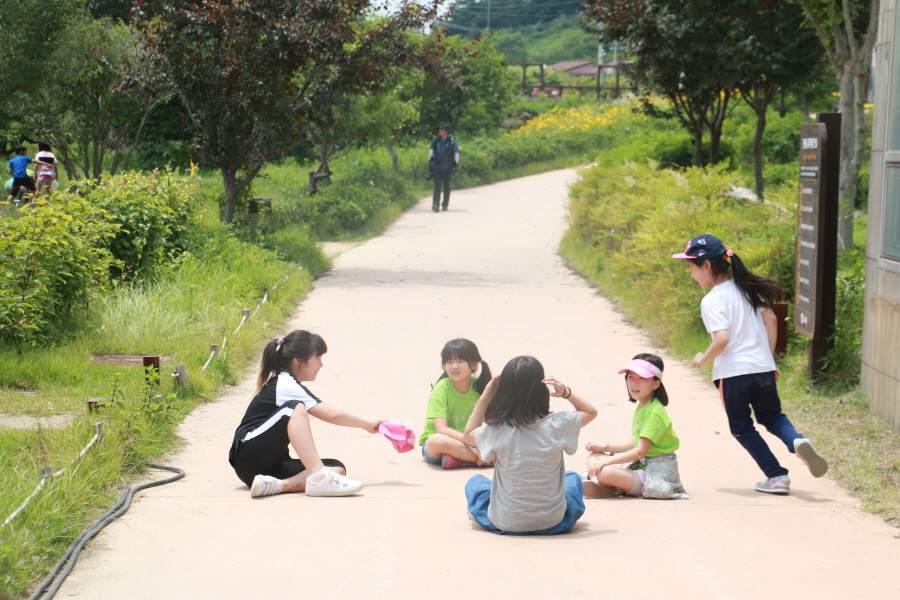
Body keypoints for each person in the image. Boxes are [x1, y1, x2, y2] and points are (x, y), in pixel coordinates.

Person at [673, 233, 828, 494]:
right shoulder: (747, 290)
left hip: (733, 374)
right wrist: (767, 359)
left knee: (742, 428)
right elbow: (771, 320)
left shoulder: (711, 300)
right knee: (772, 416)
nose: (691, 275)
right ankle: (797, 441)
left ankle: (777, 476)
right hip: (762, 367)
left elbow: (722, 339)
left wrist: (703, 359)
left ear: (706, 266)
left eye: (691, 268)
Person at [228, 330, 387, 498]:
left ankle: (276, 486)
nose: (321, 365)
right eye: (318, 358)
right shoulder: (285, 383)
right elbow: (331, 414)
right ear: (299, 361)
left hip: (263, 470)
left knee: (337, 469)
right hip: (248, 457)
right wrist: (368, 425)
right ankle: (320, 478)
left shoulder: (289, 383)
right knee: (295, 408)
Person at [462, 356, 597, 535]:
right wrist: (565, 392)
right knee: (571, 478)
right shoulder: (559, 424)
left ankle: (489, 515)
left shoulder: (497, 429)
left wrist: (486, 396)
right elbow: (591, 412)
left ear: (503, 391)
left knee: (476, 484)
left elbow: (467, 434)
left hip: (507, 523)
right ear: (542, 389)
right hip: (554, 523)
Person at [582, 354, 689, 500]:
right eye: (630, 377)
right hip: (638, 466)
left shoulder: (654, 411)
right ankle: (607, 485)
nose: (634, 383)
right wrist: (605, 447)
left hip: (654, 474)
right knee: (594, 456)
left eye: (642, 378)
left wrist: (608, 460)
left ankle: (606, 483)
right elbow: (635, 442)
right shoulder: (643, 405)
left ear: (656, 384)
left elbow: (640, 451)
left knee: (604, 470)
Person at [418, 338, 492, 469]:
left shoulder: (481, 387)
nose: (454, 366)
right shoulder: (441, 388)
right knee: (438, 440)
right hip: (442, 446)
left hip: (469, 444)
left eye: (460, 361)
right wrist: (478, 444)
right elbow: (442, 429)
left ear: (474, 365)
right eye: (449, 362)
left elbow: (491, 422)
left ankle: (461, 459)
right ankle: (484, 459)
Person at [428, 122, 459, 212]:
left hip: (448, 166)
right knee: (437, 186)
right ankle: (435, 204)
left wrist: (455, 164)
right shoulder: (435, 140)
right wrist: (430, 164)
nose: (440, 131)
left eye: (442, 129)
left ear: (447, 131)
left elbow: (456, 154)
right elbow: (431, 152)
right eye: (439, 129)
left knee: (446, 186)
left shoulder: (452, 141)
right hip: (437, 166)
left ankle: (445, 204)